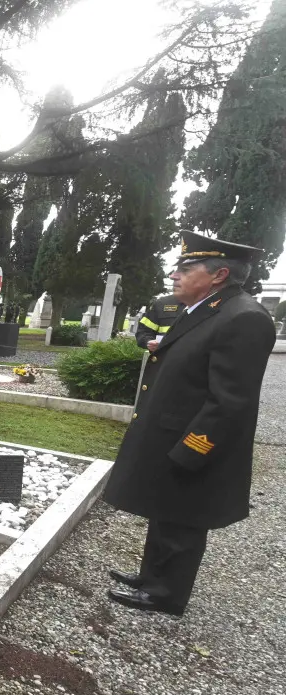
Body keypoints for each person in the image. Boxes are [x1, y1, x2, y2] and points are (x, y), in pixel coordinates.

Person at [104, 231, 276, 615]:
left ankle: (165, 593)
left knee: (183, 517)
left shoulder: (244, 317)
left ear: (219, 275)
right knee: (165, 510)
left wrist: (193, 447)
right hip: (172, 432)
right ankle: (151, 577)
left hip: (196, 442)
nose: (174, 276)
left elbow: (231, 400)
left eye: (186, 268)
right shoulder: (202, 308)